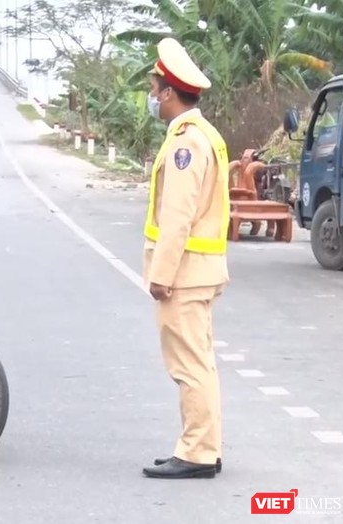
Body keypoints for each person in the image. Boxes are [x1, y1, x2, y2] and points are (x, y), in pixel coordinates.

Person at [139, 38, 230, 480]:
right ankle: (204, 446)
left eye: (155, 89)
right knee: (201, 362)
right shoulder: (203, 135)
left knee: (189, 366)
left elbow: (177, 216)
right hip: (200, 270)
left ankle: (196, 453)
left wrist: (161, 275)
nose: (152, 97)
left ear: (170, 93)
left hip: (185, 273)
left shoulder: (185, 144)